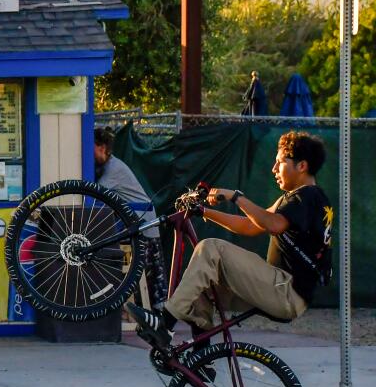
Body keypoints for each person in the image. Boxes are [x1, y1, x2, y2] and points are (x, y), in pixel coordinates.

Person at [129, 131, 333, 351]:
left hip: (286, 290)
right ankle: (202, 356)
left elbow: (272, 224)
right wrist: (203, 211)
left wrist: (236, 196)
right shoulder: (299, 198)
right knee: (201, 284)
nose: (274, 169)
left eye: (280, 162)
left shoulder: (308, 196)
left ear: (302, 166)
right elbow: (250, 225)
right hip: (279, 289)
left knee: (210, 248)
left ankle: (164, 322)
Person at [93, 127, 167, 310]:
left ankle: (154, 310)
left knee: (149, 270)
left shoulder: (113, 169)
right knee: (151, 271)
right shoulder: (107, 166)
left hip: (142, 222)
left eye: (92, 147)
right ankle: (152, 308)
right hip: (137, 222)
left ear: (102, 147)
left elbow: (95, 194)